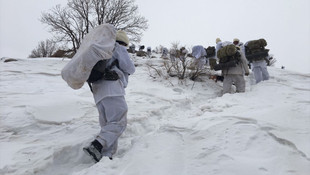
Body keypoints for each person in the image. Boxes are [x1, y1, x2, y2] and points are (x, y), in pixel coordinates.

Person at [83, 30, 135, 162]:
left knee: (108, 124)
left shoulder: (100, 50)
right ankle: (97, 145)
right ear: (123, 42)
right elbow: (130, 68)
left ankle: (106, 156)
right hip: (112, 88)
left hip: (98, 91)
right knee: (119, 121)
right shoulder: (118, 48)